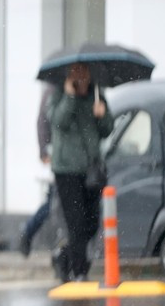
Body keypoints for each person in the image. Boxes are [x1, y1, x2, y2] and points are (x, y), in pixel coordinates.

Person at [48, 63, 113, 281]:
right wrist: (70, 96)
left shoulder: (97, 95)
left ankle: (63, 257)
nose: (82, 77)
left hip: (91, 170)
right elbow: (58, 122)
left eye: (85, 73)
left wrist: (102, 115)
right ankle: (80, 272)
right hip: (66, 170)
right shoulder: (59, 95)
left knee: (92, 222)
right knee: (76, 222)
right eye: (77, 73)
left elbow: (107, 129)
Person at [18, 84, 56, 257]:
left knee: (54, 201)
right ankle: (28, 230)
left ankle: (28, 231)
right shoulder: (54, 91)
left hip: (65, 157)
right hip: (59, 158)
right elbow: (42, 122)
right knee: (53, 201)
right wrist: (44, 151)